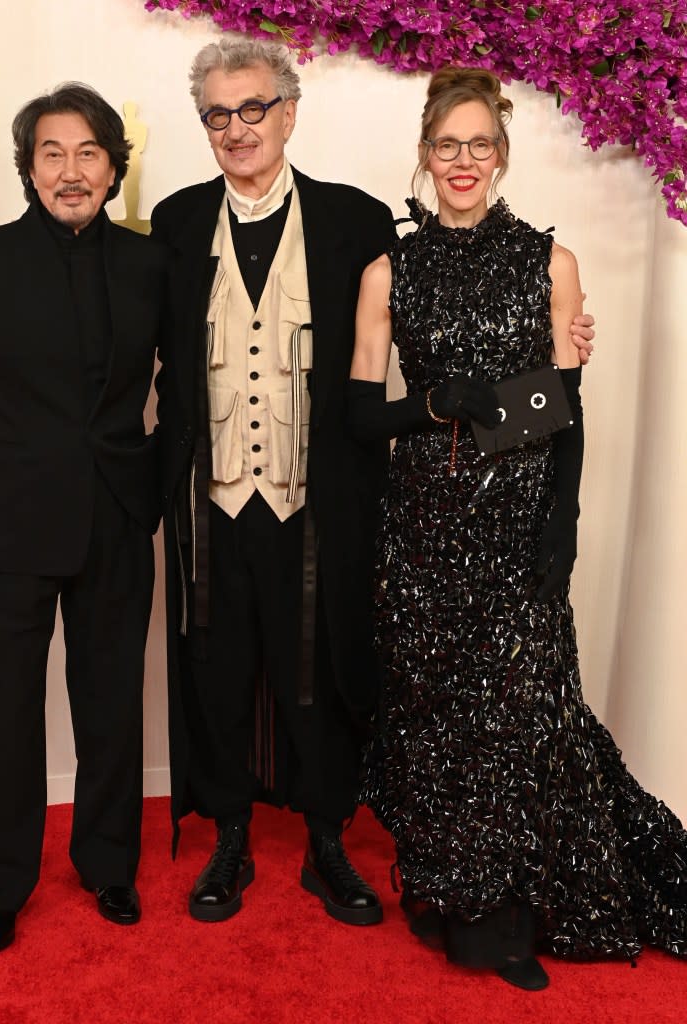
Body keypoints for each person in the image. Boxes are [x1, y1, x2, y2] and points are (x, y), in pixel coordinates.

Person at [150, 38, 596, 926]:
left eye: (253, 109)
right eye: (218, 114)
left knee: (323, 668)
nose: (237, 129)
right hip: (215, 491)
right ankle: (231, 835)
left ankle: (327, 841)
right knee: (220, 662)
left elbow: (497, 365)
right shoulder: (169, 220)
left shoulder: (357, 221)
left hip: (326, 498)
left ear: (288, 111)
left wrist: (556, 384)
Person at [348, 67, 687, 990]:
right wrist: (430, 403)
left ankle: (515, 908)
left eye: (481, 145)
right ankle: (463, 899)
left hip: (516, 528)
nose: (464, 162)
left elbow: (561, 411)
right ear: (425, 155)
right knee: (438, 713)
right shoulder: (390, 270)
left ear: (502, 155)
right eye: (447, 146)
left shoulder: (551, 262)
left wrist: (561, 531)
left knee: (520, 712)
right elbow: (356, 417)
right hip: (420, 531)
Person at [0, 83, 170, 953]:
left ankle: (109, 865)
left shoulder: (149, 263)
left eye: (88, 154)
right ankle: (1, 885)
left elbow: (178, 382)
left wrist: (157, 483)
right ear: (29, 168)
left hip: (116, 511)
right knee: (10, 707)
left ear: (113, 167)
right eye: (53, 154)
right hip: (14, 515)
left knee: (109, 700)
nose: (72, 171)